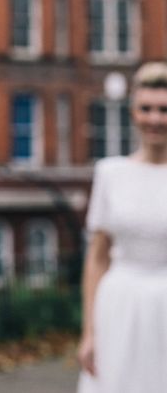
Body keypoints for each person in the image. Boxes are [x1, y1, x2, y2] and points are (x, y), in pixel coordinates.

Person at [77, 61, 167, 393]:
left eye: (164, 109)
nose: (155, 118)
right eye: (146, 108)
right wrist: (89, 332)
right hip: (119, 306)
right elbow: (98, 257)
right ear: (133, 112)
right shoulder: (109, 173)